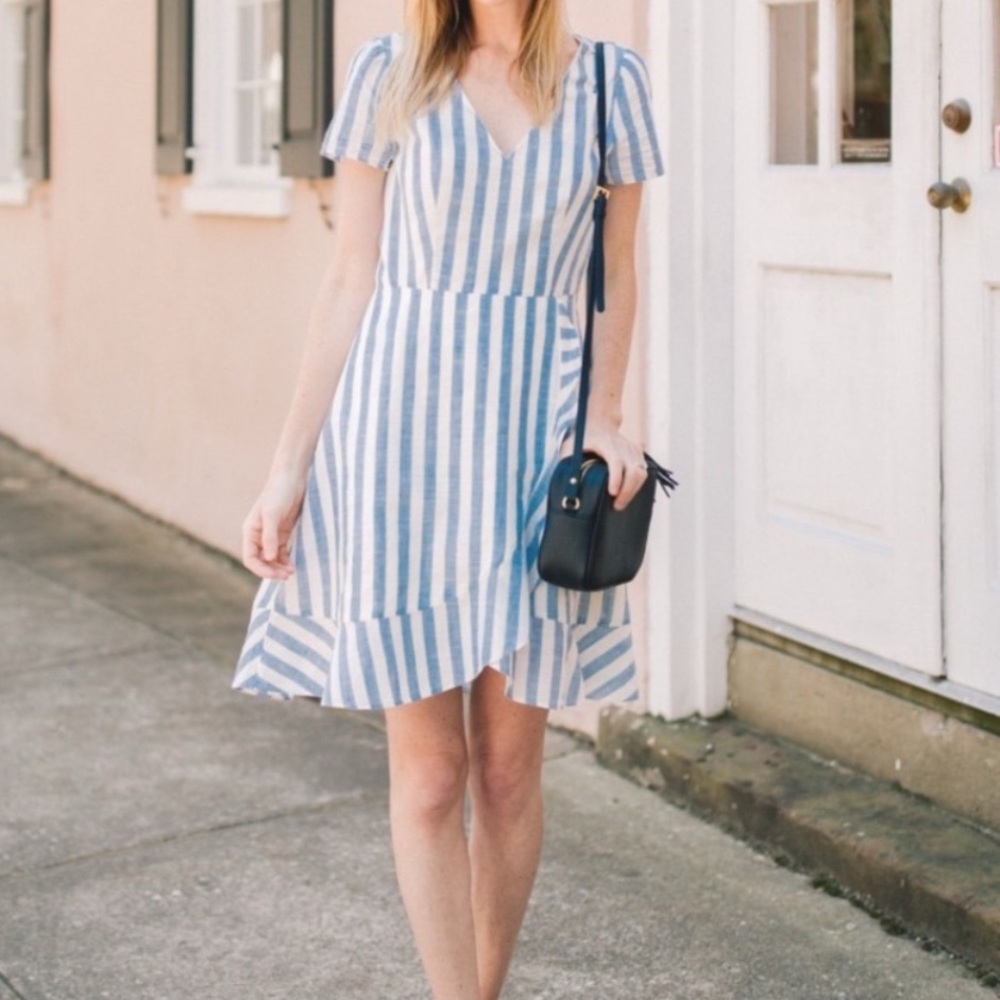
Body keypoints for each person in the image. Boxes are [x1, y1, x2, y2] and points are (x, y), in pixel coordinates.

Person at [233, 0, 663, 995]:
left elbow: (618, 270)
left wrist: (604, 415)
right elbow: (350, 281)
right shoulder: (390, 72)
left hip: (535, 451)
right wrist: (288, 466)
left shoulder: (609, 82)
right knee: (429, 775)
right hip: (397, 450)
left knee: (510, 771)